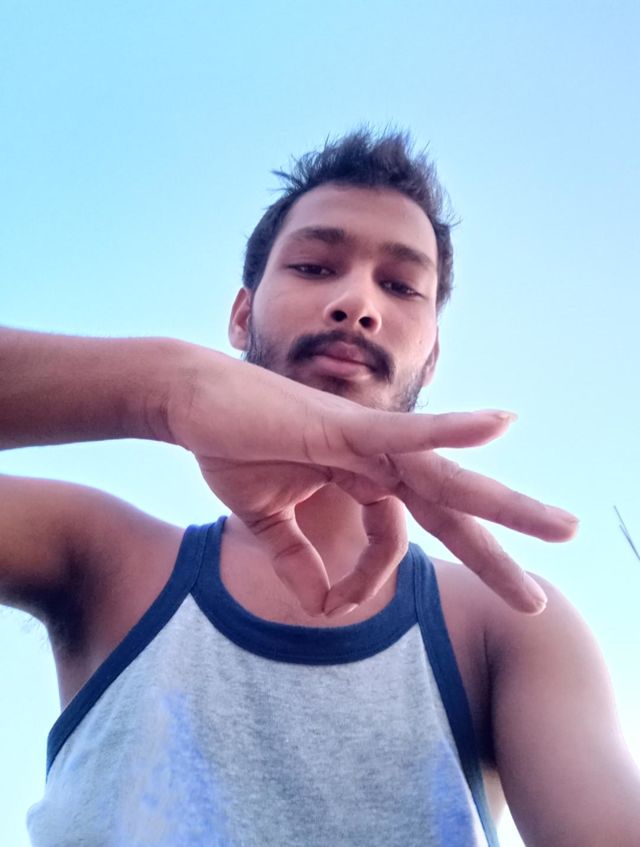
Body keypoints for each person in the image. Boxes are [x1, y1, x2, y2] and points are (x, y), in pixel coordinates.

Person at [1, 129, 638, 847]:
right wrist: (165, 388)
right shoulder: (99, 554)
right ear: (241, 315)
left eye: (400, 286)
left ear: (431, 357)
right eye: (312, 266)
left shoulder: (508, 620)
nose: (356, 302)